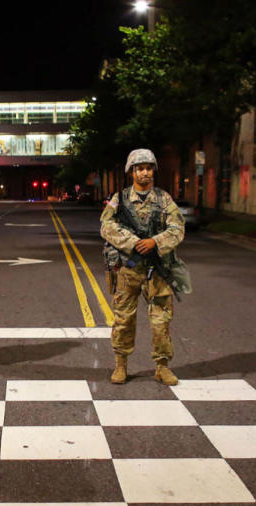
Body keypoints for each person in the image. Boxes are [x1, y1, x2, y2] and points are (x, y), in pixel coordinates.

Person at [101, 148, 187, 386]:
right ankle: (121, 365)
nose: (145, 173)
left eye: (149, 168)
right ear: (132, 172)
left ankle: (162, 367)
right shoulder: (120, 199)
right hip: (128, 269)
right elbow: (106, 226)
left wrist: (155, 242)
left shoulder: (164, 199)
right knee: (124, 319)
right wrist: (134, 243)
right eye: (140, 168)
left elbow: (178, 229)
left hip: (157, 270)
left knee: (161, 320)